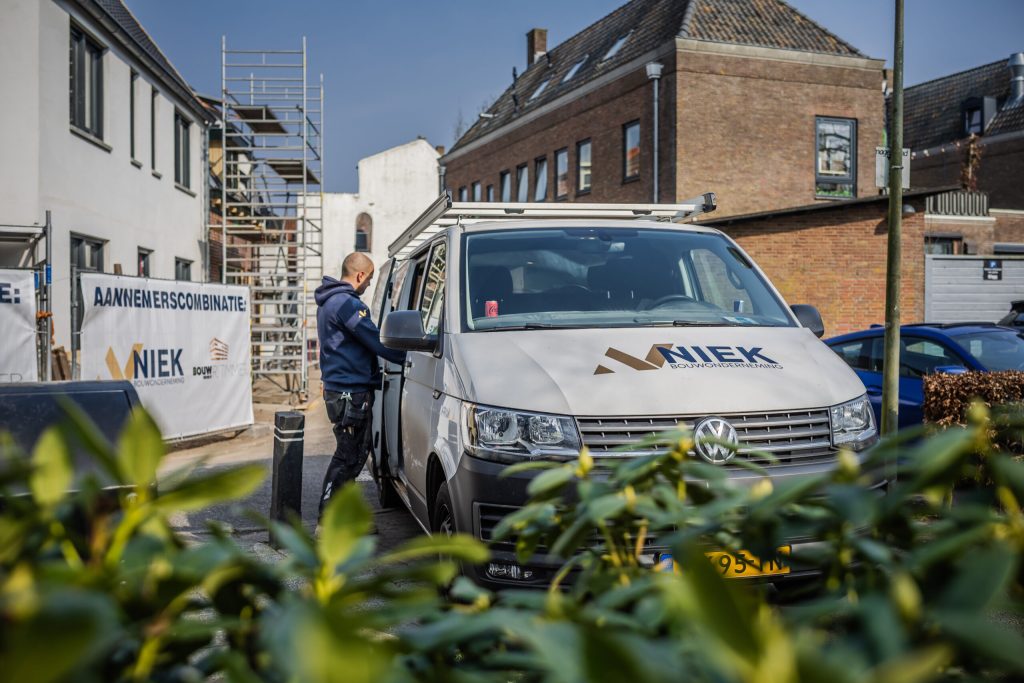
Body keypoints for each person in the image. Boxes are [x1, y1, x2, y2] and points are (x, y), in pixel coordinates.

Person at [315, 252, 405, 517]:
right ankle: (327, 519)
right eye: (369, 279)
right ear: (360, 275)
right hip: (351, 393)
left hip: (340, 390)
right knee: (348, 456)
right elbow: (376, 341)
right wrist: (409, 354)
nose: (368, 285)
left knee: (352, 455)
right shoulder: (348, 305)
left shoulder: (329, 302)